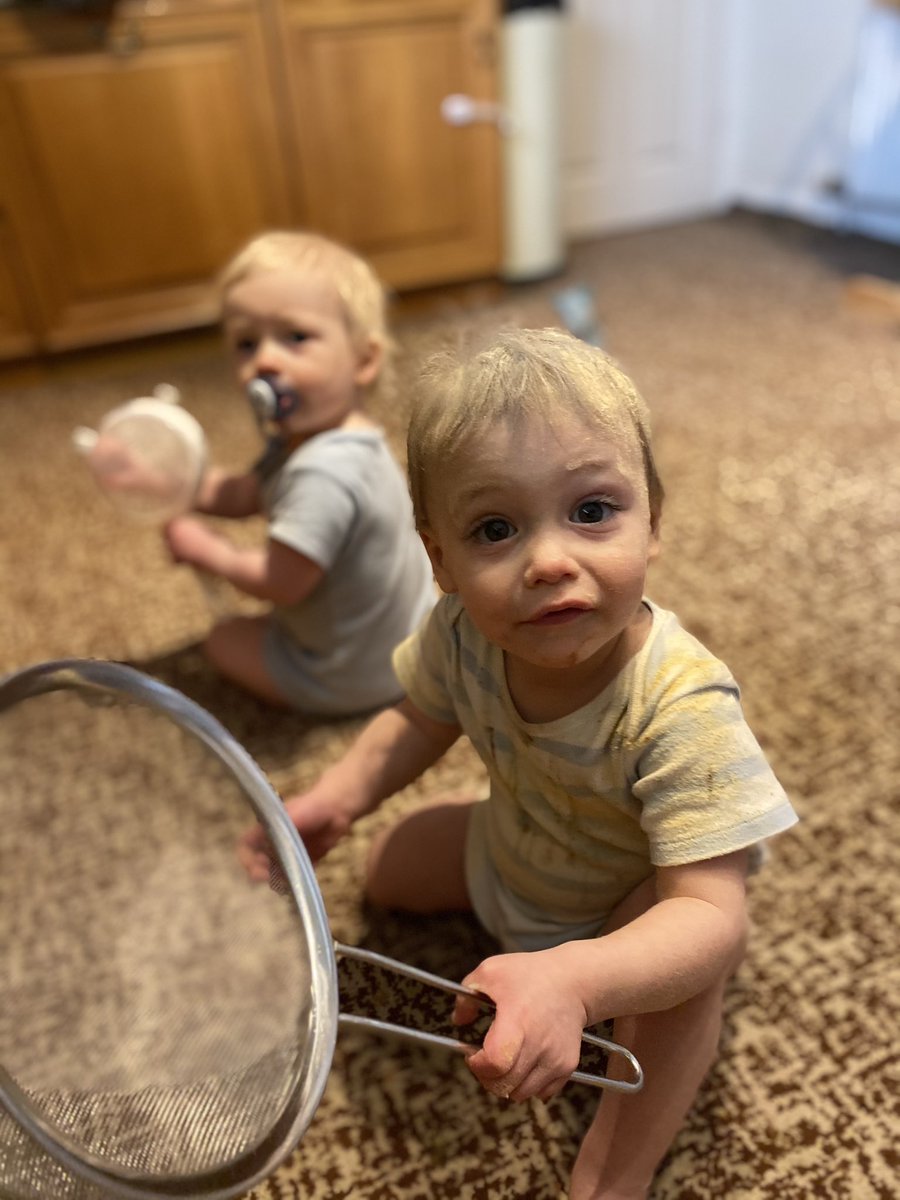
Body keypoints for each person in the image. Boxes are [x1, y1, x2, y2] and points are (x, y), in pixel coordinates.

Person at [239, 327, 798, 1197]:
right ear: (441, 561)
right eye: (495, 528)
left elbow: (713, 918)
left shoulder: (684, 705)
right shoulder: (463, 632)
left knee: (687, 975)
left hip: (630, 910)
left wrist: (578, 976)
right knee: (386, 876)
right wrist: (338, 797)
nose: (548, 560)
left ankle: (613, 1177)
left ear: (653, 522)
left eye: (591, 511)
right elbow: (419, 718)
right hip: (516, 849)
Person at [163, 230, 436, 714]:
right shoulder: (324, 437)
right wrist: (180, 484)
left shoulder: (323, 474)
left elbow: (280, 583)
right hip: (411, 645)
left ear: (364, 359)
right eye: (246, 343)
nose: (264, 360)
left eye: (294, 337)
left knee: (223, 640)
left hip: (352, 676)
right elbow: (249, 492)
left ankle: (326, 688)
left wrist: (211, 552)